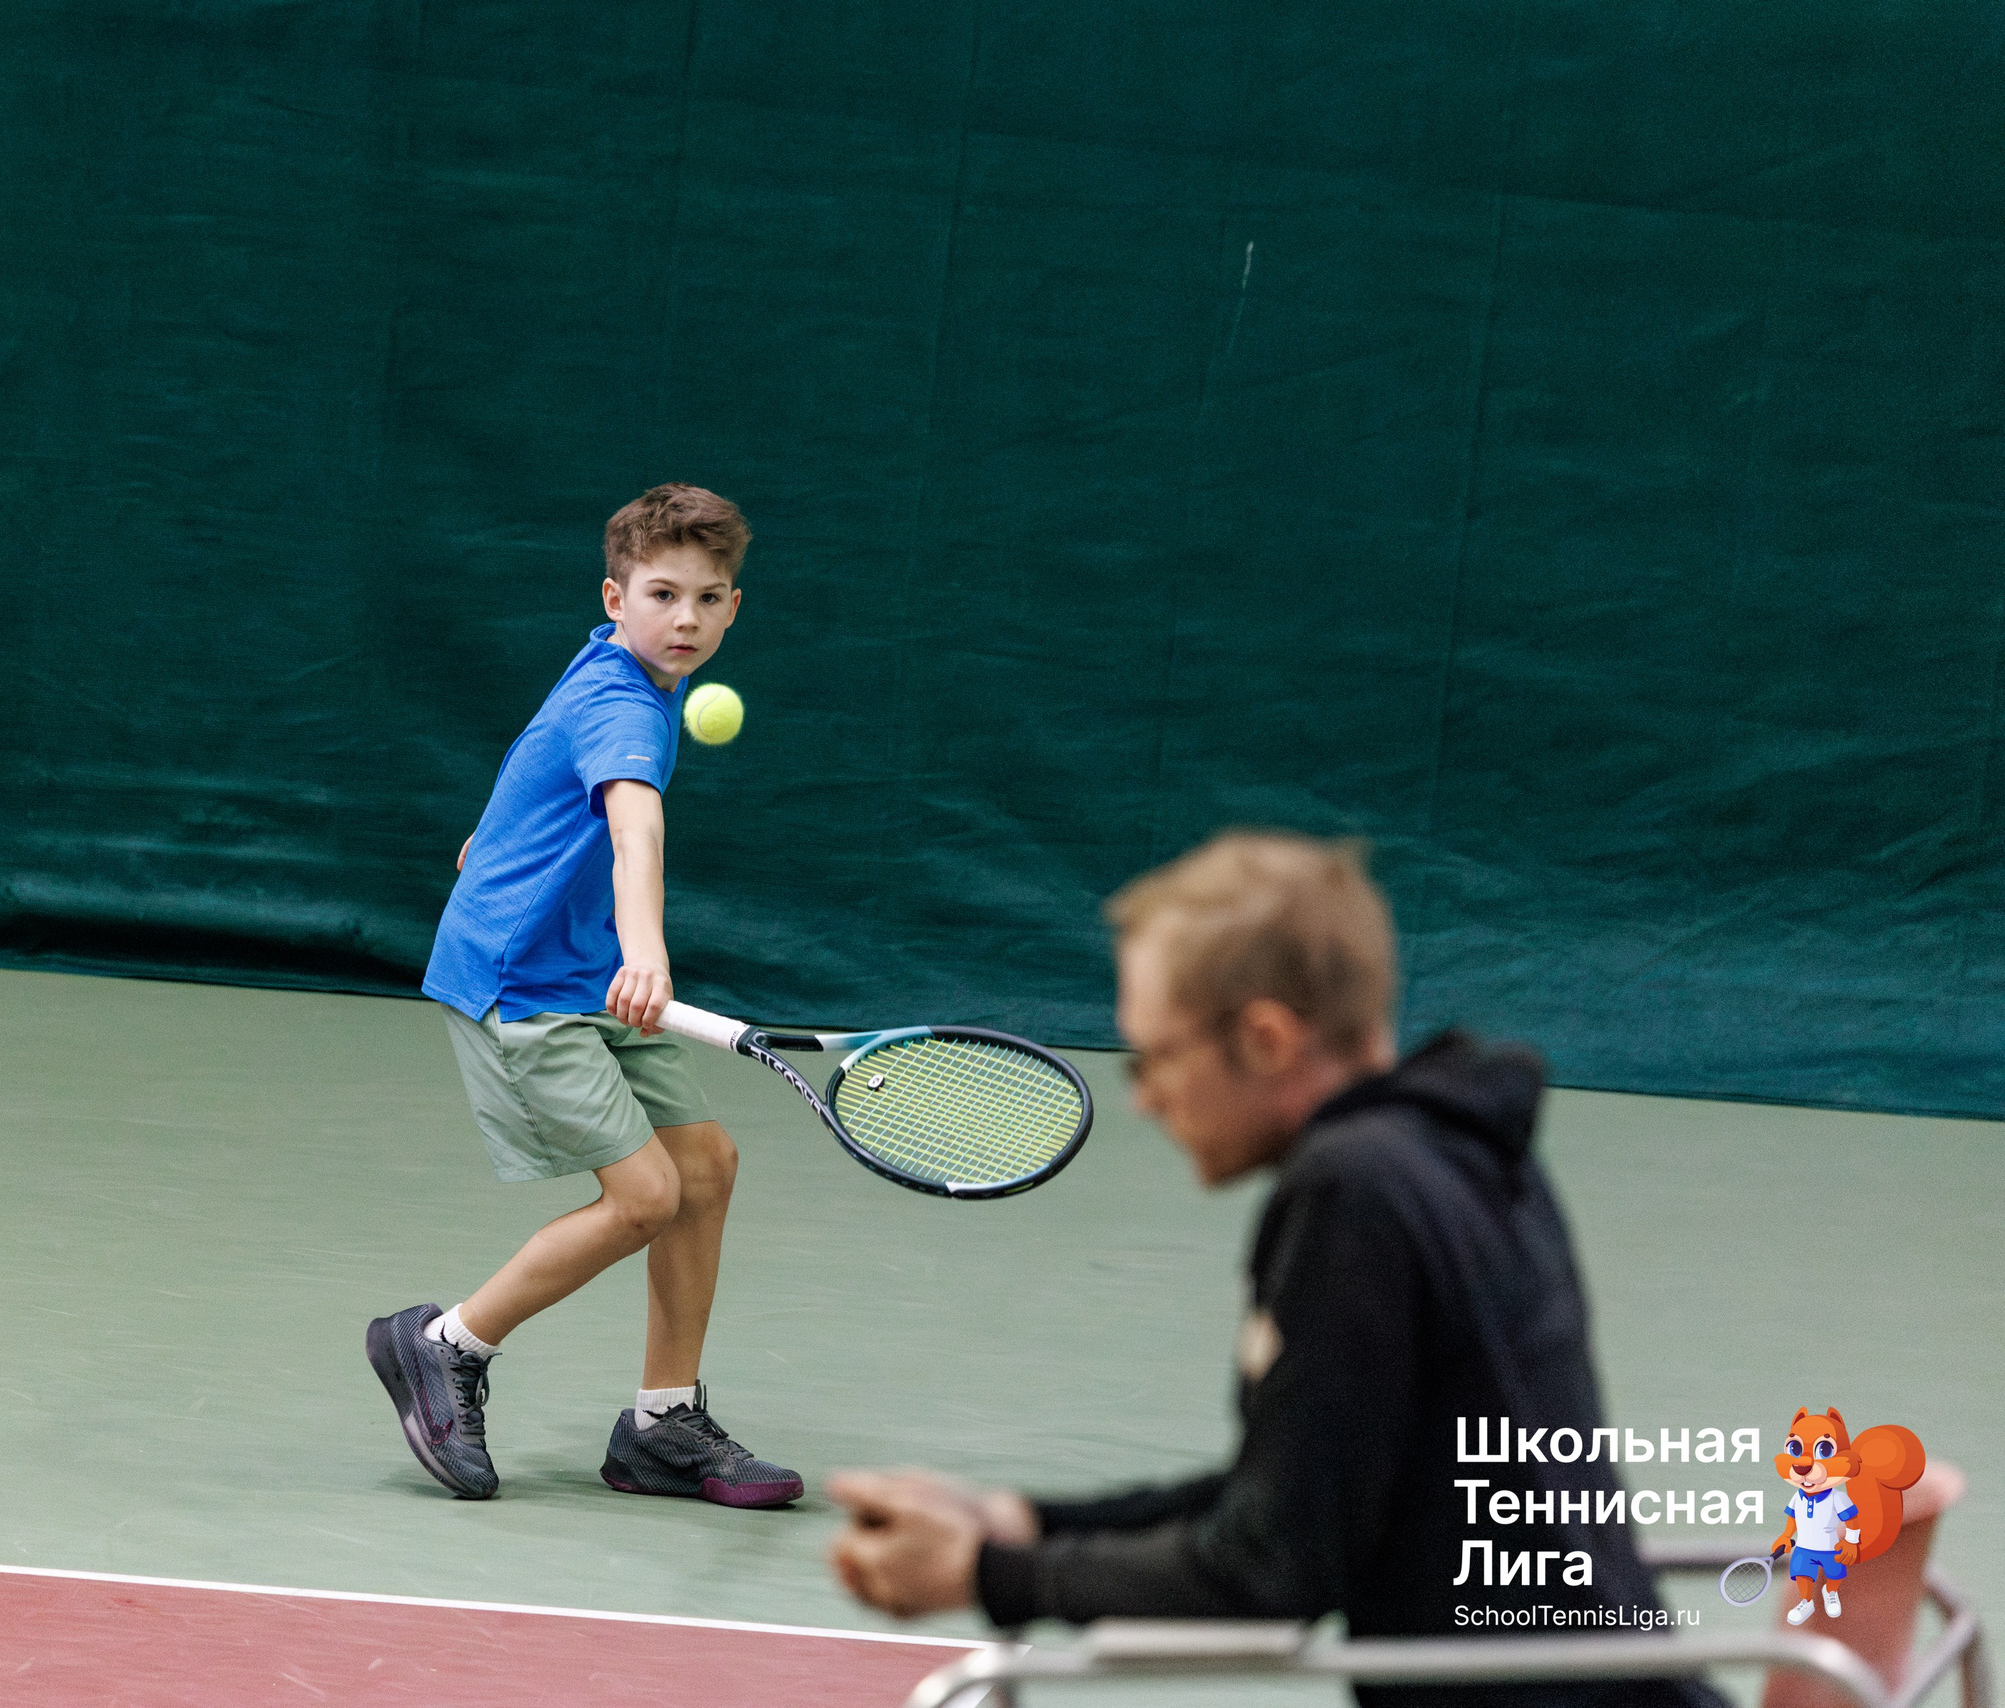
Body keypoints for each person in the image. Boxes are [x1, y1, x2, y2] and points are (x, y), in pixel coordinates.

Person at [827, 833, 1718, 1708]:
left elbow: (1275, 1564)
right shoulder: (1456, 1155)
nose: (1144, 1097)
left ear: (1265, 1038)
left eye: (1158, 1055)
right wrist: (1027, 1526)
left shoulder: (1354, 1191)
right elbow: (1295, 1494)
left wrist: (990, 1574)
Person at [366, 483, 802, 1509]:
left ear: (733, 607)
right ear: (616, 596)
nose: (685, 617)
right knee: (645, 1195)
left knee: (704, 1167)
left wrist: (491, 841)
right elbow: (632, 827)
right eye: (662, 593)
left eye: (708, 596)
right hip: (525, 985)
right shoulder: (625, 708)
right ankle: (444, 1345)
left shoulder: (617, 670)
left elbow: (533, 754)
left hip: (581, 966)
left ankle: (660, 1423)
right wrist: (646, 947)